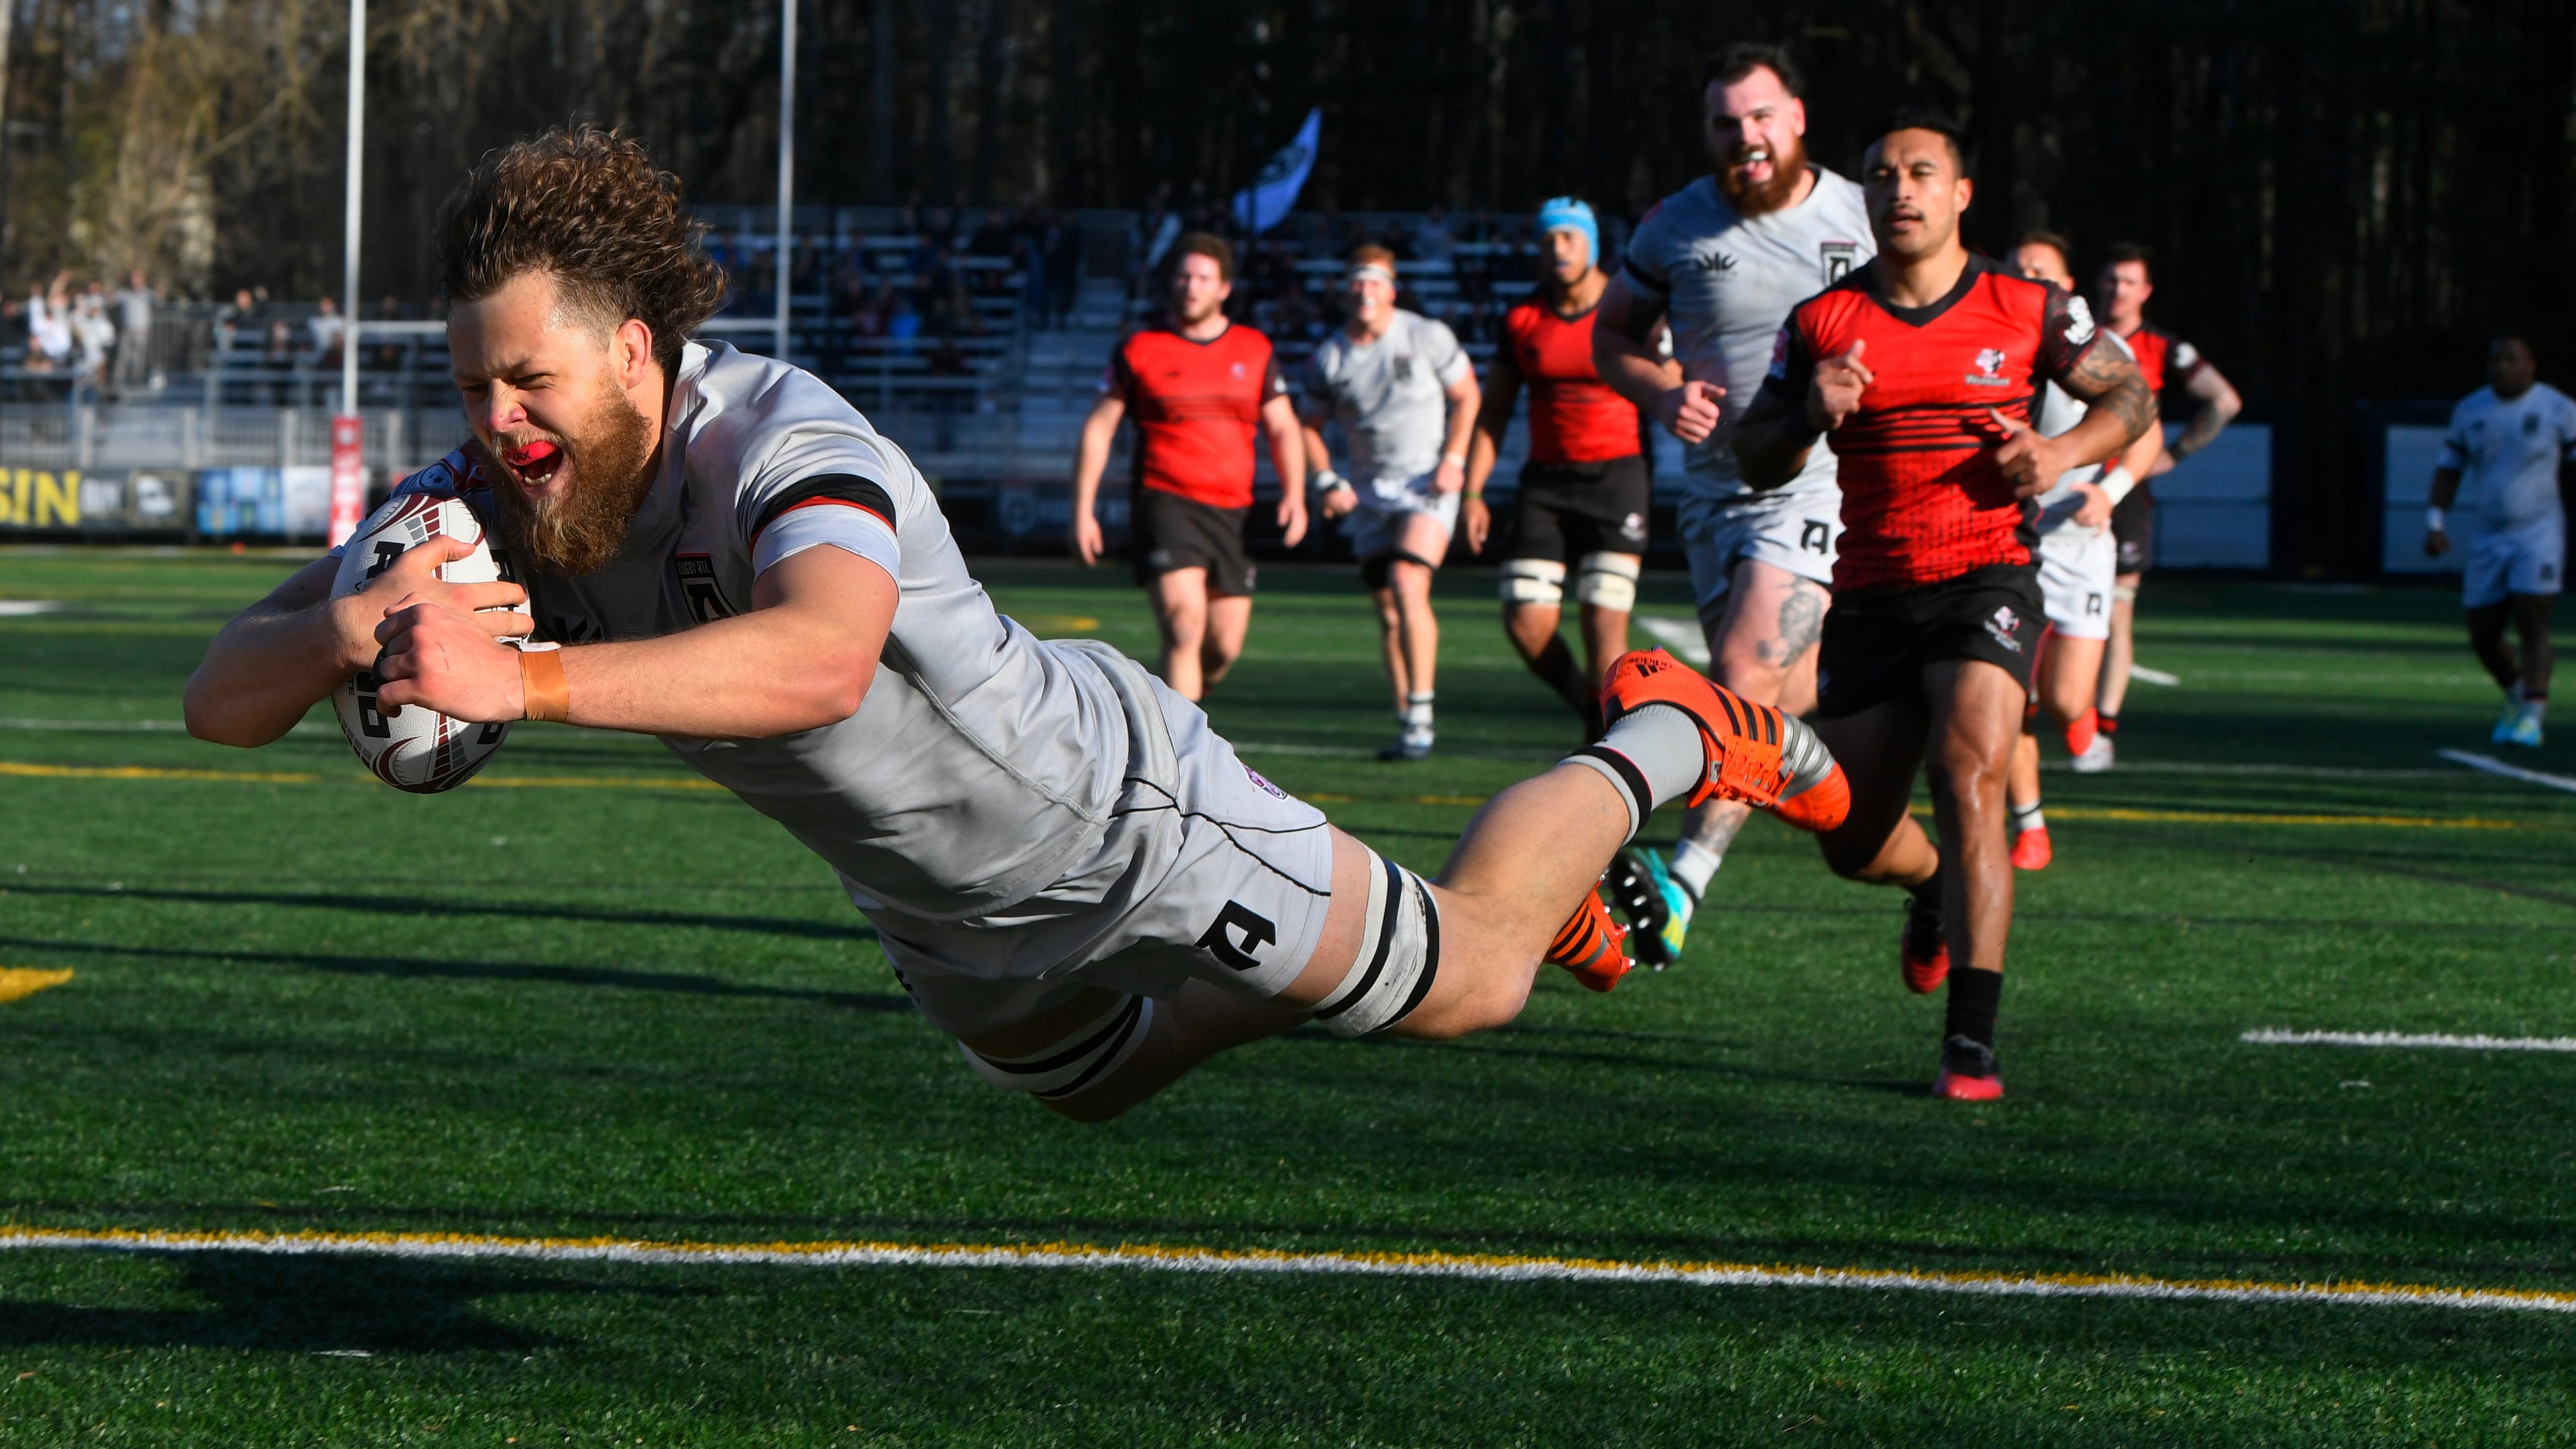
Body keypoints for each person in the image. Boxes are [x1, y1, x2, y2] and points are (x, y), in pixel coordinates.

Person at [182, 126, 1851, 1125]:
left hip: (1126, 820)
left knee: (1477, 977)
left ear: (632, 351)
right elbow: (215, 698)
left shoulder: (780, 441)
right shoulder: (489, 494)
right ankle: (1380, 918)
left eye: (527, 379)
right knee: (1095, 1085)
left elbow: (823, 653)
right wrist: (352, 624)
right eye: (473, 381)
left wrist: (519, 676)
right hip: (942, 913)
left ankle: (1668, 730)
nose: (499, 418)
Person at [1732, 115, 2153, 1100]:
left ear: (1963, 194)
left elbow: (2128, 398)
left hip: (1986, 581)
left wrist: (2055, 454)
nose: (1900, 190)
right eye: (1881, 176)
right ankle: (1928, 893)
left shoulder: (2026, 306)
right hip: (1873, 595)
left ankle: (1971, 1041)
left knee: (1969, 775)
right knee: (1848, 838)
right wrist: (1805, 415)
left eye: (1923, 173)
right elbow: (1752, 457)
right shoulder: (1824, 322)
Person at [1590, 42, 1873, 966]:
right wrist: (1662, 394)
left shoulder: (1862, 215)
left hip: (1822, 481)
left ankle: (1677, 888)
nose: (1745, 137)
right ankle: (1894, 846)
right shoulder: (1675, 226)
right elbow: (1611, 342)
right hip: (1714, 493)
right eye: (1726, 122)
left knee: (1738, 672)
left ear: (1796, 116)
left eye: (1760, 117)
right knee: (1772, 716)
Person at [1071, 233, 1308, 702]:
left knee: (1222, 645)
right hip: (1165, 502)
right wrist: (1083, 510)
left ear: (1224, 288)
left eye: (1203, 278)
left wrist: (1296, 494)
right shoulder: (1140, 349)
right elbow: (1098, 430)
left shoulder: (1254, 349)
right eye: (1183, 276)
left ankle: (1191, 705)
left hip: (1233, 512)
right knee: (1183, 626)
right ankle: (1179, 761)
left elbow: (1284, 428)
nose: (1191, 286)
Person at [1998, 233, 2165, 870]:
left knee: (2066, 699)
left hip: (2079, 545)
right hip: (2007, 543)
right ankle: (2030, 826)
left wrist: (2110, 491)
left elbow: (2144, 433)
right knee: (2009, 692)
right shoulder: (1988, 347)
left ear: (2066, 287)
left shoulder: (2101, 351)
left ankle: (2081, 719)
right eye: (2017, 268)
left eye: (2042, 271)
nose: (2027, 277)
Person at [1465, 197, 1648, 737]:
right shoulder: (1523, 319)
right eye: (1548, 240)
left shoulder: (1627, 313)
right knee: (1526, 623)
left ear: (1592, 244)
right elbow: (1493, 412)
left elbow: (1669, 379)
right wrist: (1472, 493)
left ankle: (1615, 748)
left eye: (1569, 237)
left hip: (1617, 480)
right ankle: (1595, 717)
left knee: (1604, 626)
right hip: (1545, 484)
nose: (1558, 248)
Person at [1302, 246, 1480, 760]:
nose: (1366, 291)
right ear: (1346, 290)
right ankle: (1407, 722)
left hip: (1428, 485)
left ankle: (1423, 716)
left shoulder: (1425, 335)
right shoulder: (1330, 357)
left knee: (1408, 582)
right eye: (1357, 282)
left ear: (1392, 289)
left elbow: (1468, 395)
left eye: (1375, 282)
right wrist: (1325, 479)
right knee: (1389, 612)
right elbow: (1308, 427)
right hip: (1369, 494)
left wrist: (1455, 459)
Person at [2084, 241, 2241, 771]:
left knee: (2119, 611)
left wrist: (2173, 455)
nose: (2118, 290)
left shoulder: (2162, 347)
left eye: (2129, 281)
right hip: (2065, 486)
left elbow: (2224, 399)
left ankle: (2103, 729)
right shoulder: (2073, 335)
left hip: (2123, 492)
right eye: (2111, 279)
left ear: (2146, 291)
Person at [2426, 335, 2574, 747]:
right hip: (2490, 536)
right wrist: (2435, 523)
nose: (2502, 367)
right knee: (2482, 632)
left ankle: (2532, 715)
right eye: (2495, 360)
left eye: (2511, 359)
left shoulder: (2558, 409)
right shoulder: (2471, 410)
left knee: (2533, 617)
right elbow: (2448, 469)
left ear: (2531, 363)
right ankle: (2515, 696)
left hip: (2540, 531)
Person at [113, 270, 156, 391]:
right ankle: (118, 382)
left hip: (141, 331)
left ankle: (136, 381)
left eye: (138, 278)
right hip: (127, 330)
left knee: (139, 358)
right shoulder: (124, 293)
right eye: (133, 278)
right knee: (123, 357)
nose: (135, 281)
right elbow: (112, 300)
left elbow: (158, 300)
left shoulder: (147, 294)